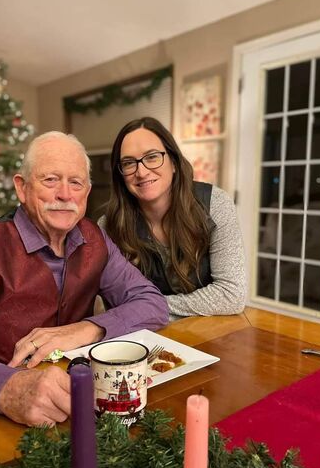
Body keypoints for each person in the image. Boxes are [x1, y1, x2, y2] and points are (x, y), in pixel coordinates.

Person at [0, 132, 168, 426]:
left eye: (75, 183)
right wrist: (5, 387)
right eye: (51, 180)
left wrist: (88, 328)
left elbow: (152, 303)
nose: (65, 195)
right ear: (22, 188)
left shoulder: (96, 239)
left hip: (78, 404)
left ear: (87, 193)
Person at [100, 117, 246, 319]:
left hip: (211, 335)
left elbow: (232, 295)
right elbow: (115, 304)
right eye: (128, 163)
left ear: (174, 162)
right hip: (146, 337)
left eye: (152, 157)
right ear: (121, 174)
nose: (141, 172)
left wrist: (148, 307)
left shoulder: (214, 204)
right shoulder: (109, 226)